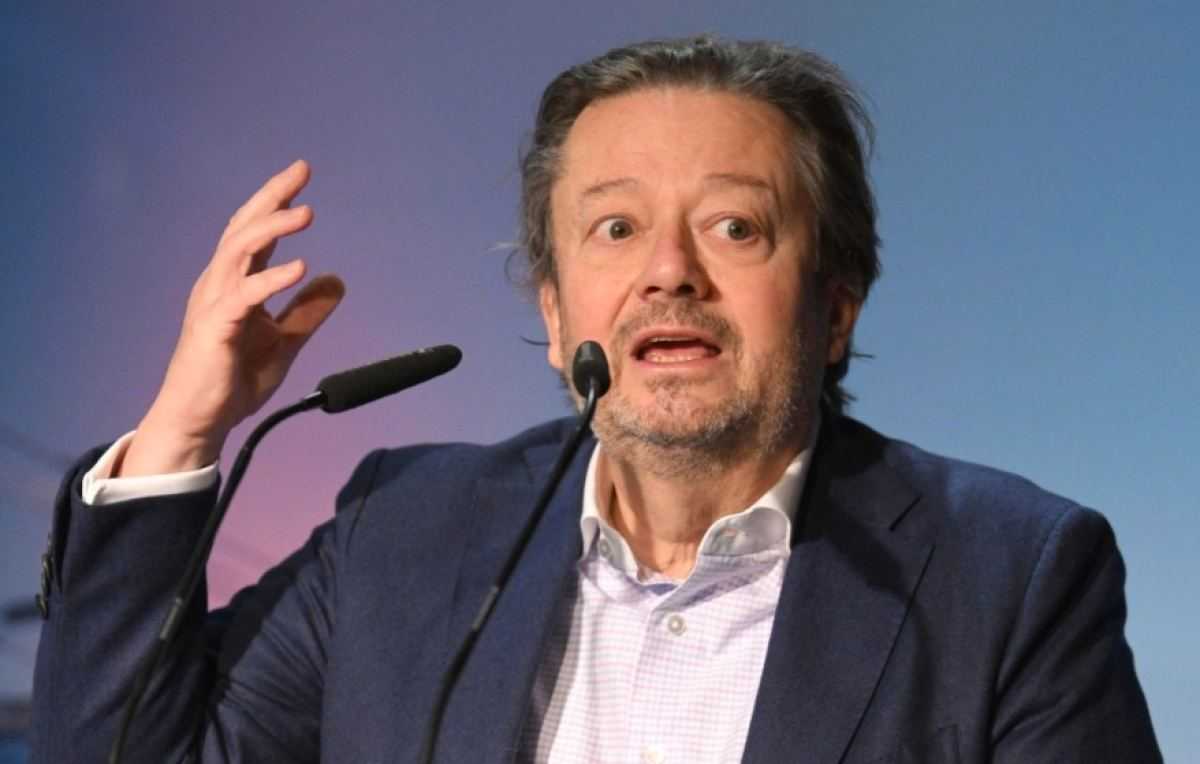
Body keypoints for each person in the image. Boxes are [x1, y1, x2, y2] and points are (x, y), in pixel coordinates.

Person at [31, 36, 1160, 763]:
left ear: (835, 309)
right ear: (556, 308)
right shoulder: (401, 534)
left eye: (735, 226)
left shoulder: (1013, 576)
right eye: (615, 227)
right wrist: (182, 428)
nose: (669, 270)